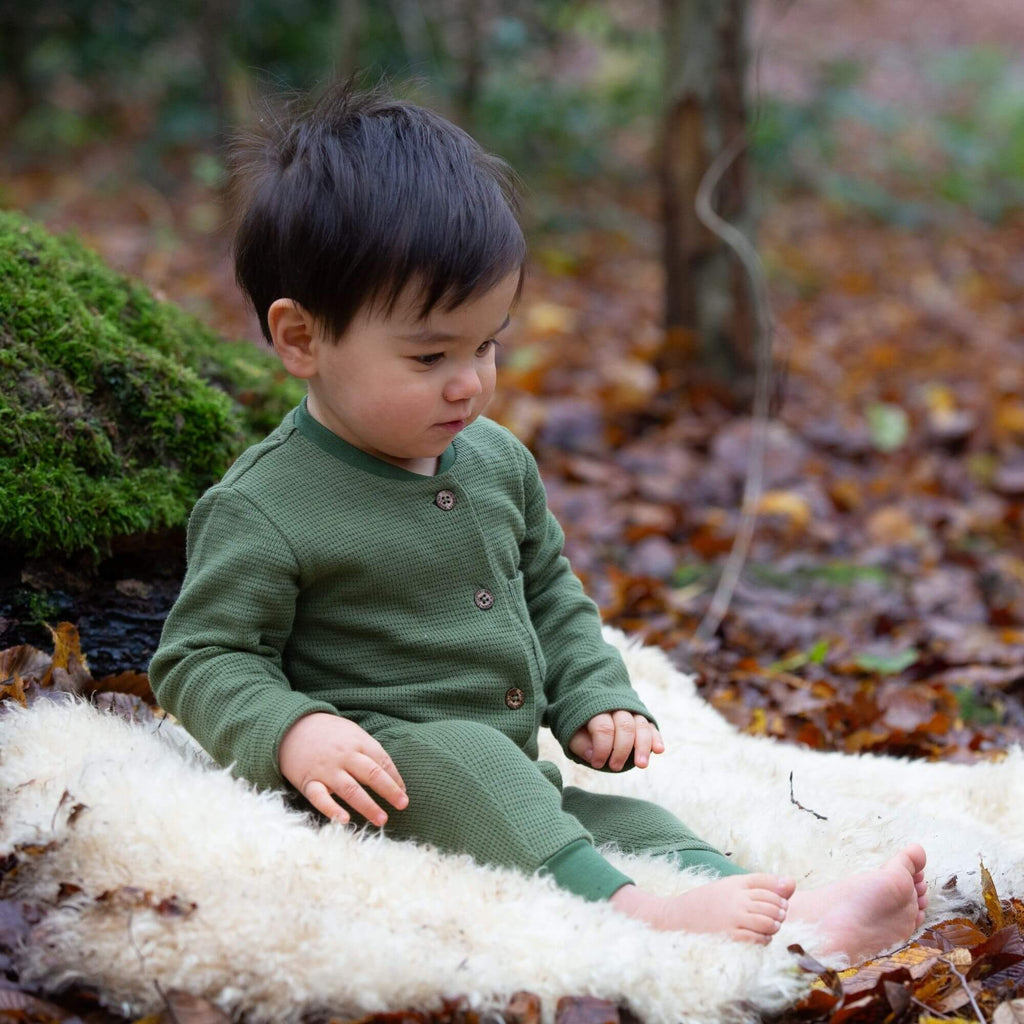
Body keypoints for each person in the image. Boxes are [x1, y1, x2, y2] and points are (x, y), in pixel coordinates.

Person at [149, 82, 928, 959]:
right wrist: (293, 731)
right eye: (430, 356)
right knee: (480, 769)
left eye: (487, 345)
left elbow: (549, 590)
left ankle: (791, 912)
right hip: (380, 774)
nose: (470, 383)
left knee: (625, 819)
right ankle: (637, 916)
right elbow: (201, 656)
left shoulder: (495, 461)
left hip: (514, 771)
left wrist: (591, 691)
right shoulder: (265, 505)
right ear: (301, 339)